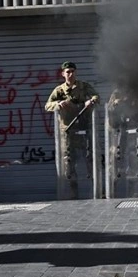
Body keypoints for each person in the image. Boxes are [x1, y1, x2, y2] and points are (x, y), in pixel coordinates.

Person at [45, 61, 99, 199]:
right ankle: (73, 193)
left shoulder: (84, 86)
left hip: (84, 128)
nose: (70, 74)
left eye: (73, 71)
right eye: (67, 72)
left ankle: (97, 191)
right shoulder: (59, 90)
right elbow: (47, 105)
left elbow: (96, 96)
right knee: (69, 162)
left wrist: (90, 101)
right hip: (67, 131)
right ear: (63, 74)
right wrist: (58, 103)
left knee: (90, 159)